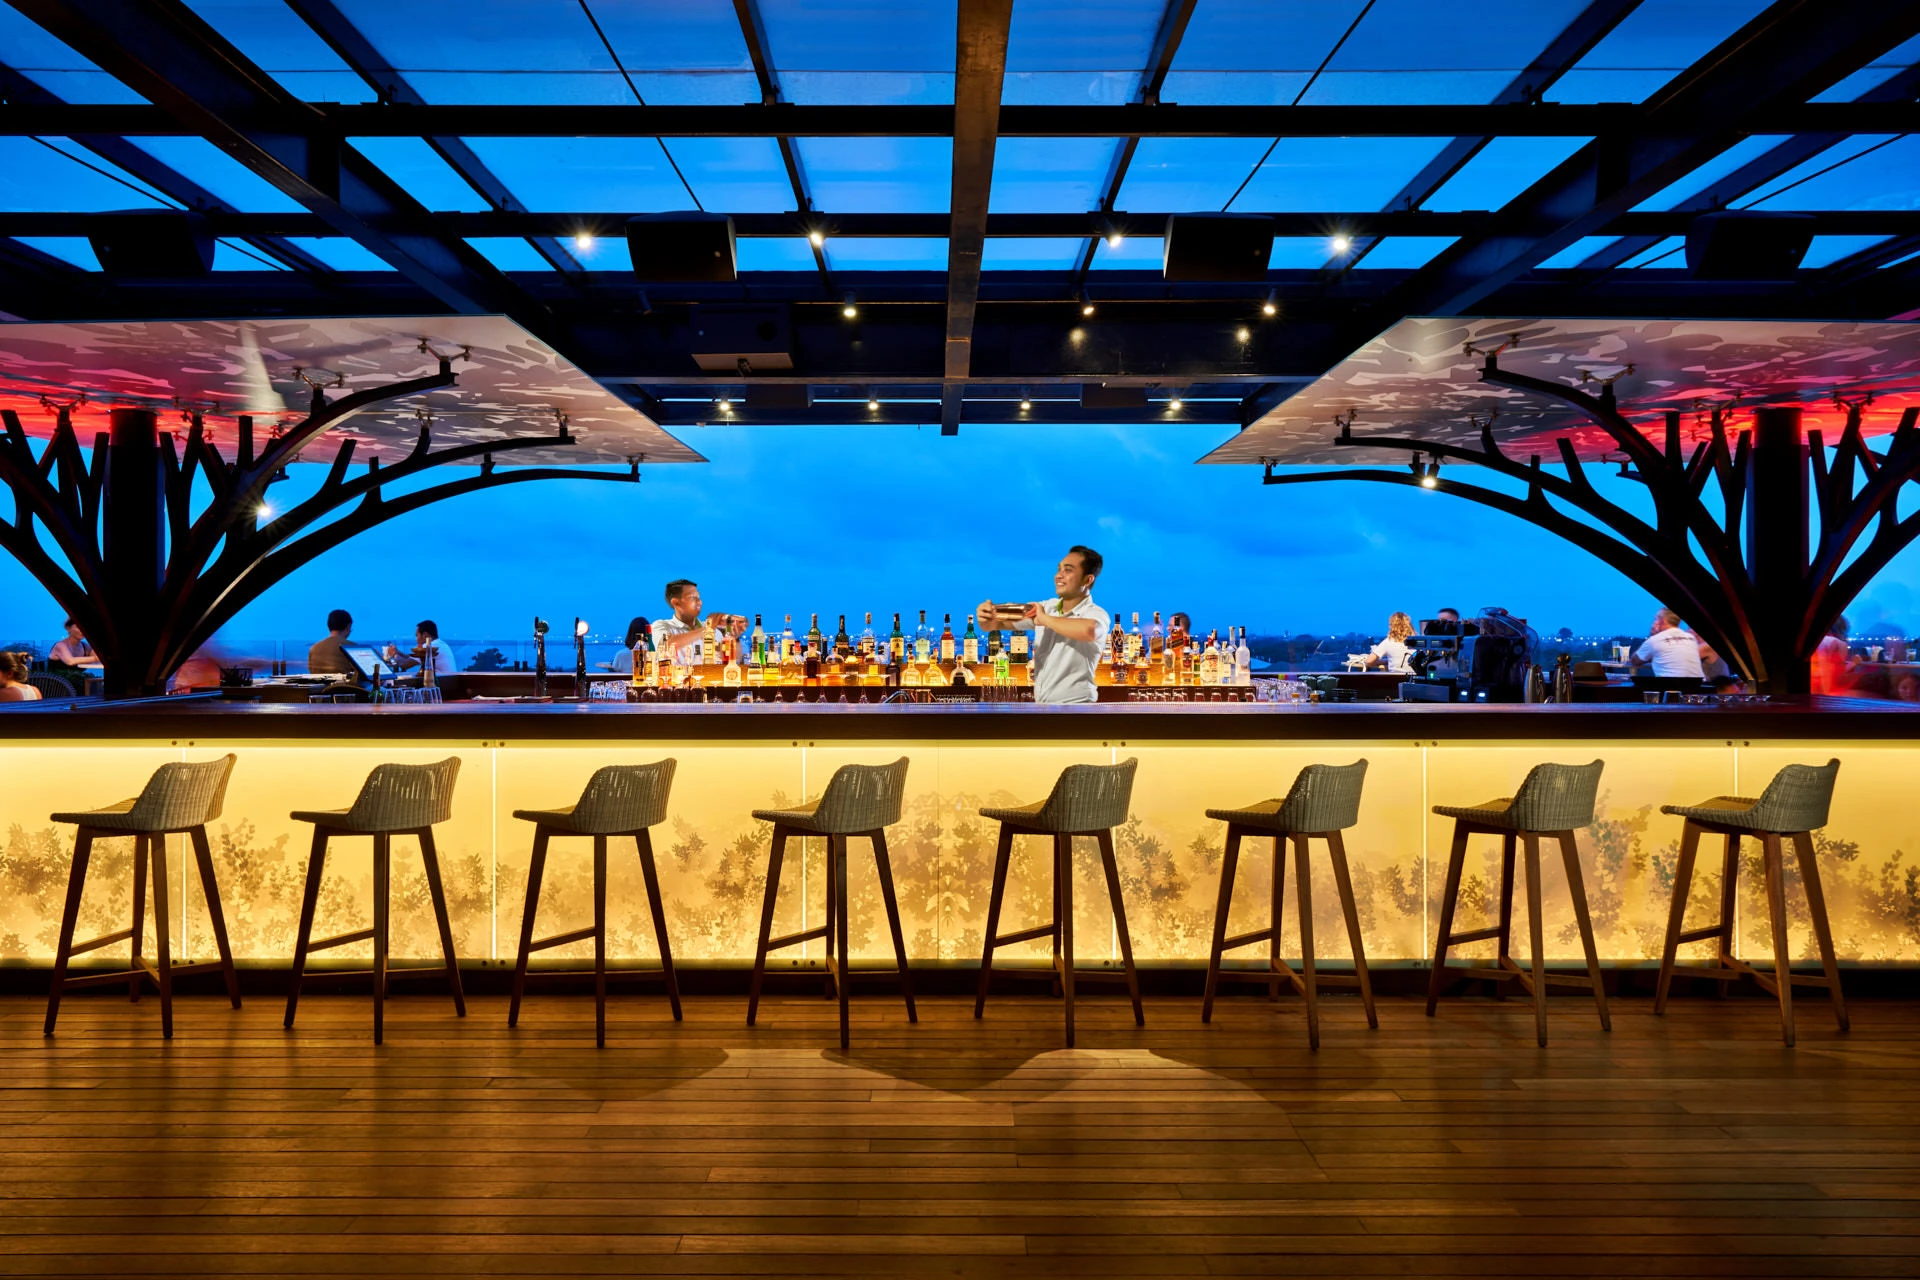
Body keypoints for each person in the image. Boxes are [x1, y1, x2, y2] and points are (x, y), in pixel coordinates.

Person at [975, 545, 1110, 706]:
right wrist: (986, 615)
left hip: (1078, 709)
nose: (1059, 576)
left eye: (1068, 570)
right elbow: (994, 625)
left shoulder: (1095, 613)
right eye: (1059, 569)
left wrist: (1044, 619)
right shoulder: (1048, 607)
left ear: (1087, 580)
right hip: (1044, 708)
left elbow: (1090, 630)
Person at [652, 581, 745, 665]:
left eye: (699, 597)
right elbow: (667, 645)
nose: (700, 602)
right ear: (676, 603)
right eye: (692, 598)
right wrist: (708, 629)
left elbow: (733, 660)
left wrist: (735, 638)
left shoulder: (714, 630)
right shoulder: (662, 626)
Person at [1634, 608, 1712, 680]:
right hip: (1698, 686)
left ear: (1661, 622)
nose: (1654, 622)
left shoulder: (1655, 639)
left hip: (1671, 687)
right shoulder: (1691, 638)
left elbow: (1635, 661)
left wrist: (1651, 635)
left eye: (1655, 619)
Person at [385, 620, 456, 677]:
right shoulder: (440, 644)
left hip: (440, 685)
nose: (416, 639)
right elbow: (409, 658)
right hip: (447, 681)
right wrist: (397, 652)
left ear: (425, 635)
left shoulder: (429, 646)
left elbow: (404, 664)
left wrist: (393, 654)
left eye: (417, 636)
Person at [1811, 616, 1856, 696]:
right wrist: (1854, 663)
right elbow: (1839, 673)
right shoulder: (1839, 644)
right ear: (1841, 629)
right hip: (1828, 692)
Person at [308, 609, 358, 676]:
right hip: (345, 686)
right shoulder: (352, 647)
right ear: (348, 626)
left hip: (322, 686)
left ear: (329, 625)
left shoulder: (314, 648)